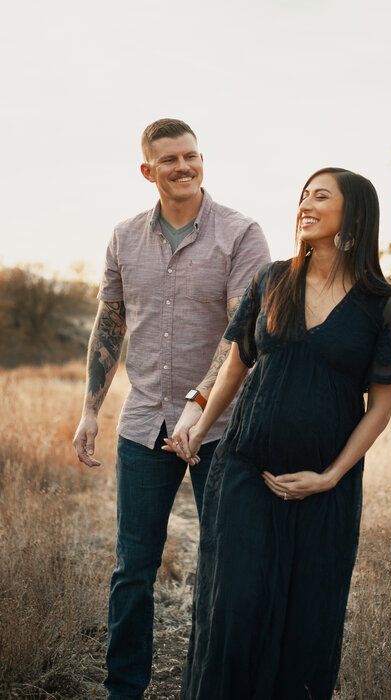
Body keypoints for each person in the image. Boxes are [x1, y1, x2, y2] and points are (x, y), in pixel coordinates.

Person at [168, 167, 391, 700]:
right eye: (303, 195)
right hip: (244, 467)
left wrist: (330, 477)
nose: (305, 203)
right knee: (232, 607)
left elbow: (380, 407)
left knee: (307, 618)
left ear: (353, 214)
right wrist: (200, 429)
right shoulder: (272, 279)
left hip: (323, 488)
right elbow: (236, 366)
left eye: (320, 196)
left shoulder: (385, 305)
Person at [72, 118, 270, 700]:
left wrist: (198, 406)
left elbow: (243, 334)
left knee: (225, 569)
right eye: (169, 160)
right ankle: (123, 689)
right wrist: (91, 410)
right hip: (142, 425)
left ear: (202, 160)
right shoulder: (124, 237)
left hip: (223, 429)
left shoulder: (241, 234)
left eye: (191, 157)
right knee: (133, 568)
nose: (183, 167)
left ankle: (214, 687)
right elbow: (110, 323)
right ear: (147, 171)